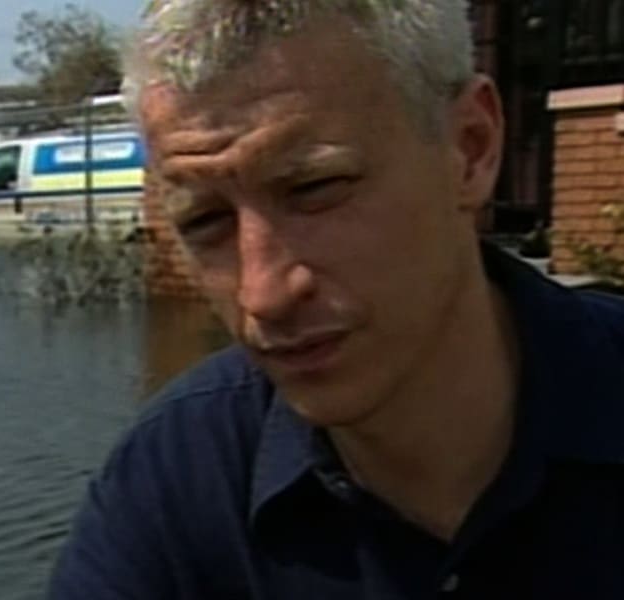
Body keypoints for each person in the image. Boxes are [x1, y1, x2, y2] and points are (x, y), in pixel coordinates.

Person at [49, 1, 624, 598]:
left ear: (470, 148)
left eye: (315, 188)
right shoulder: (172, 479)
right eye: (205, 221)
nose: (263, 294)